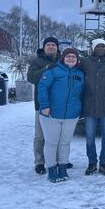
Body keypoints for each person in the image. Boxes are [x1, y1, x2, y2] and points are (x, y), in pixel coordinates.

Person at [37, 48, 85, 183]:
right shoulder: (53, 71)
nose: (71, 59)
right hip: (51, 114)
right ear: (63, 58)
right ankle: (52, 169)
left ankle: (63, 167)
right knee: (52, 143)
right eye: (68, 56)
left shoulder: (80, 74)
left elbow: (82, 93)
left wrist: (80, 109)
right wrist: (45, 105)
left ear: (77, 60)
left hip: (71, 115)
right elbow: (42, 87)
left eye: (73, 57)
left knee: (65, 143)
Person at [81, 38, 105, 176]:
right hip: (90, 105)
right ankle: (91, 163)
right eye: (98, 46)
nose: (100, 48)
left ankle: (103, 163)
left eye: (103, 46)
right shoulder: (85, 62)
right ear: (93, 48)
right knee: (89, 136)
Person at [27, 36, 60, 175]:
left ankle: (58, 160)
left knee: (57, 135)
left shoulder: (62, 60)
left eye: (53, 45)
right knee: (40, 136)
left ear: (57, 47)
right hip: (41, 105)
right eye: (49, 45)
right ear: (44, 47)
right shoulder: (37, 61)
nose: (51, 47)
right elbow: (31, 78)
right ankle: (39, 162)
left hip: (59, 104)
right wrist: (46, 68)